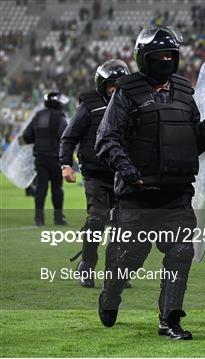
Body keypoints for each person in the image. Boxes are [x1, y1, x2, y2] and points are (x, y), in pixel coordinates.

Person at [94, 25, 205, 340]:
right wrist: (128, 171)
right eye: (159, 55)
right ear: (144, 58)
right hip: (137, 197)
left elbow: (191, 142)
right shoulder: (126, 92)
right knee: (128, 259)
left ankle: (170, 320)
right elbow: (106, 139)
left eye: (171, 55)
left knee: (181, 253)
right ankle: (110, 293)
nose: (166, 60)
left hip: (177, 195)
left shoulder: (185, 92)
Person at [59, 59, 130, 288]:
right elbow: (69, 137)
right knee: (97, 220)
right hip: (96, 175)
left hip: (122, 175)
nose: (115, 90)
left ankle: (116, 272)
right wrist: (65, 164)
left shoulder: (132, 105)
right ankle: (87, 265)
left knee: (123, 226)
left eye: (120, 85)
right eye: (112, 86)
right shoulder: (89, 105)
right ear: (102, 85)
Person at [22, 92, 69, 226]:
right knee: (57, 188)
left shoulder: (38, 115)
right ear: (57, 104)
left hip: (40, 158)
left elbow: (26, 136)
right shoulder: (60, 117)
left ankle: (39, 218)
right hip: (55, 158)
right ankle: (58, 218)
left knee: (40, 188)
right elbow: (65, 135)